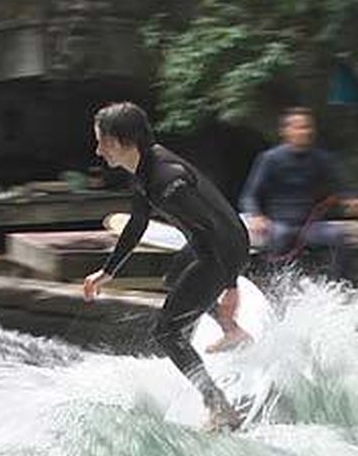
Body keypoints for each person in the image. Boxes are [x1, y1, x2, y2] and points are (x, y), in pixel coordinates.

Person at [82, 102, 251, 431]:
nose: (98, 150)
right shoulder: (145, 167)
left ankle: (220, 407)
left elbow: (211, 229)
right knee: (173, 277)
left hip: (223, 247)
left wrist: (231, 286)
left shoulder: (165, 179)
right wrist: (108, 271)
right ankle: (233, 332)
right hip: (211, 241)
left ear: (124, 141)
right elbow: (137, 223)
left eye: (103, 141)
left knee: (167, 332)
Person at [201, 107, 358, 352]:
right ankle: (279, 292)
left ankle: (340, 290)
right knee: (279, 237)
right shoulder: (270, 159)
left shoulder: (321, 159)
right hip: (279, 221)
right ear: (287, 131)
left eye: (307, 127)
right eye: (298, 127)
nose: (303, 131)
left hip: (310, 224)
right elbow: (250, 196)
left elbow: (342, 187)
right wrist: (257, 216)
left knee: (339, 237)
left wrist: (353, 200)